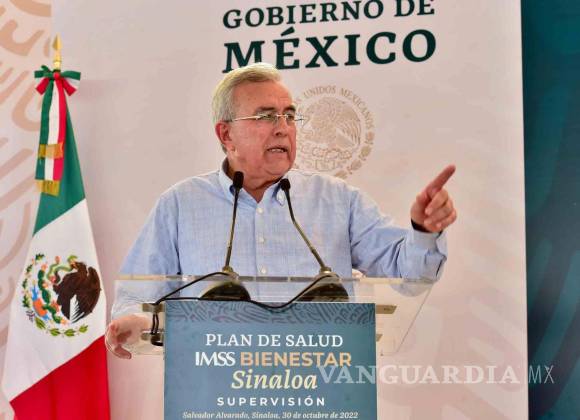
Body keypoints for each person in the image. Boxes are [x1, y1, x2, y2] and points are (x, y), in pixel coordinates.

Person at [106, 62, 457, 358]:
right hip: (213, 394)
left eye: (289, 116)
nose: (282, 128)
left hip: (321, 391)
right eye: (265, 116)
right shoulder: (180, 205)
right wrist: (136, 322)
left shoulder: (336, 200)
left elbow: (408, 276)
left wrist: (424, 231)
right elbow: (135, 297)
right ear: (226, 135)